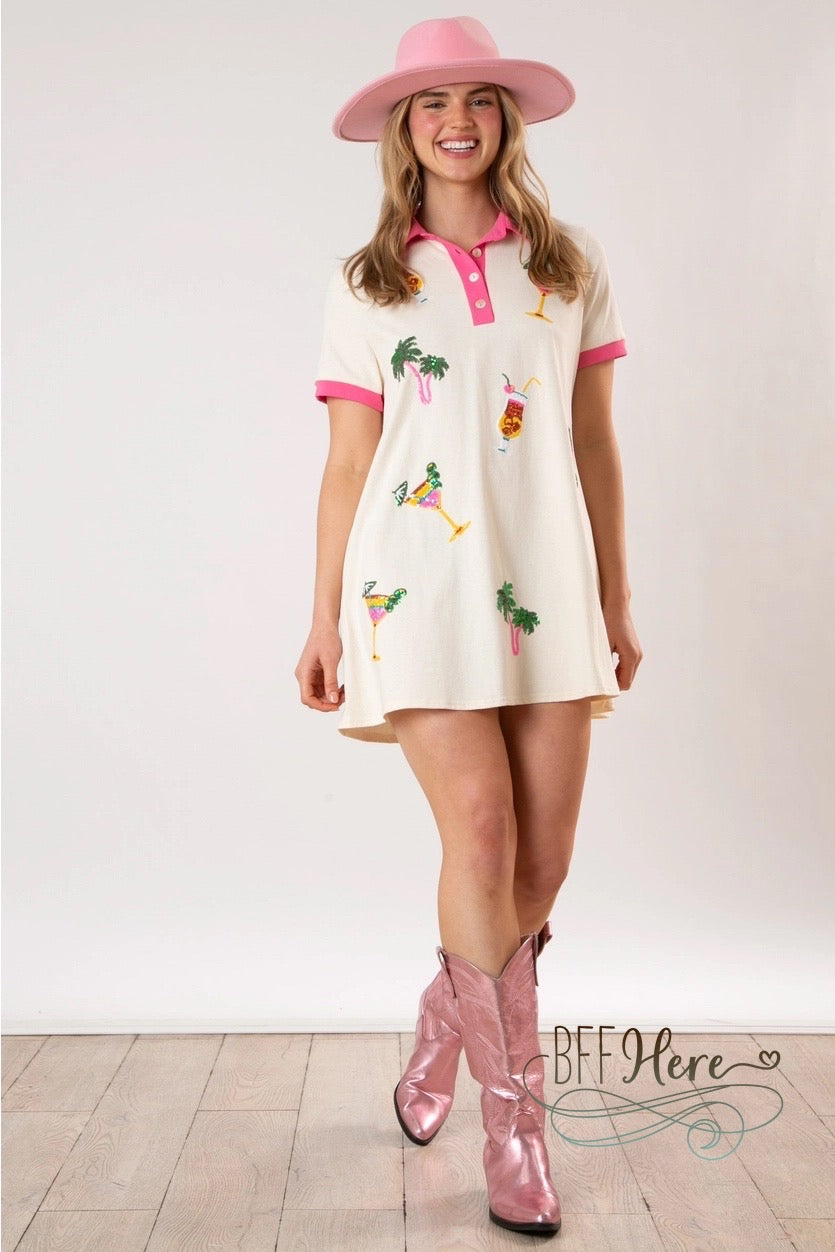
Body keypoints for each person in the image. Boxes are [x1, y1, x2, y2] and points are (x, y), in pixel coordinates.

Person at [294, 15, 642, 1238]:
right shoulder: (366, 280)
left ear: (505, 121)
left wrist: (616, 595)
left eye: (479, 100)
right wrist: (323, 616)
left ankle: (447, 1017)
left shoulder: (568, 262)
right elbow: (348, 464)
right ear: (404, 129)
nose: (458, 120)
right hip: (414, 591)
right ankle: (515, 1128)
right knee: (482, 836)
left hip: (549, 586)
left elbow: (593, 441)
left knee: (540, 868)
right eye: (433, 103)